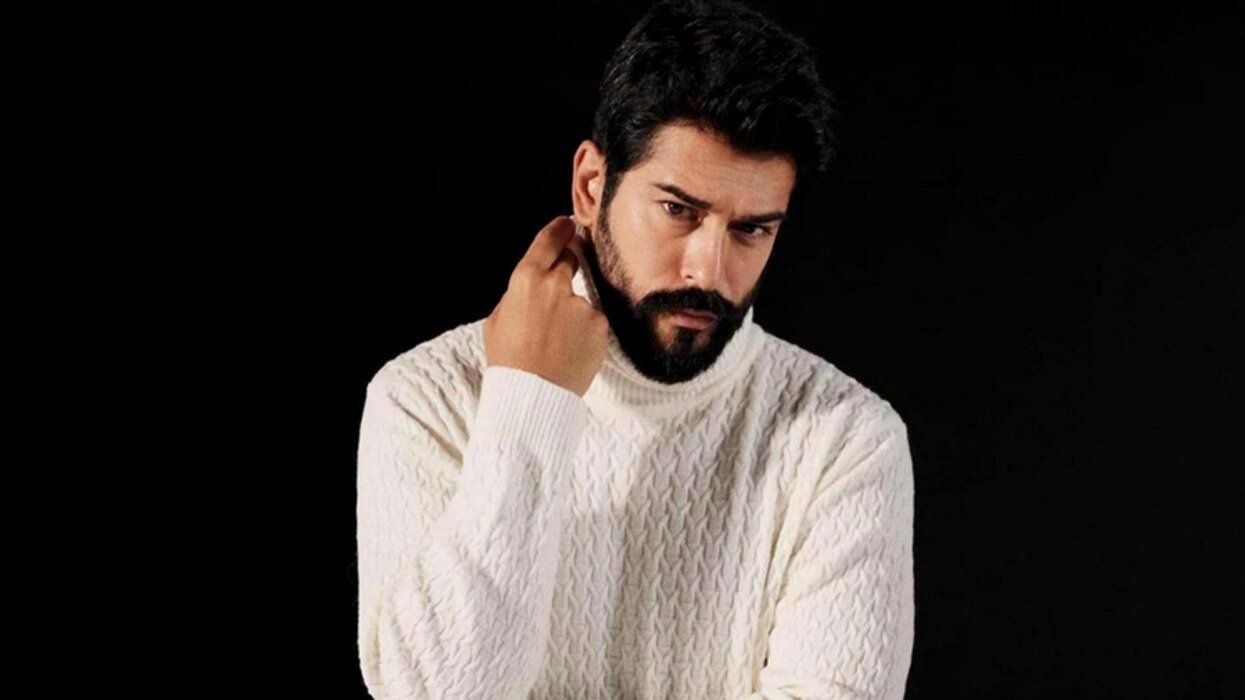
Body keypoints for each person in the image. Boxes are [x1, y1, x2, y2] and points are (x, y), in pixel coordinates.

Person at [355, 1, 915, 697]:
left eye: (751, 230)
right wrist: (529, 401)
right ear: (591, 187)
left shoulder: (845, 438)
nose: (708, 270)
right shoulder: (427, 398)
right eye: (678, 211)